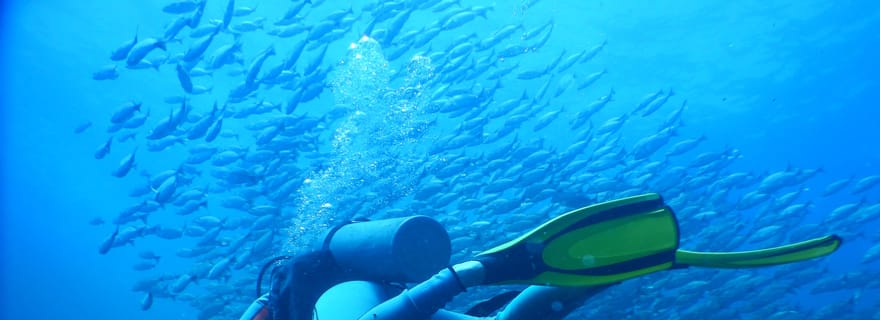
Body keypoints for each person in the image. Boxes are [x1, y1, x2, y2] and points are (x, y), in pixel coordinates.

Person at [240, 193, 842, 320]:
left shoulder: (289, 297)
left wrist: (458, 276)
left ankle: (476, 270)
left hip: (347, 302)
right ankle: (602, 275)